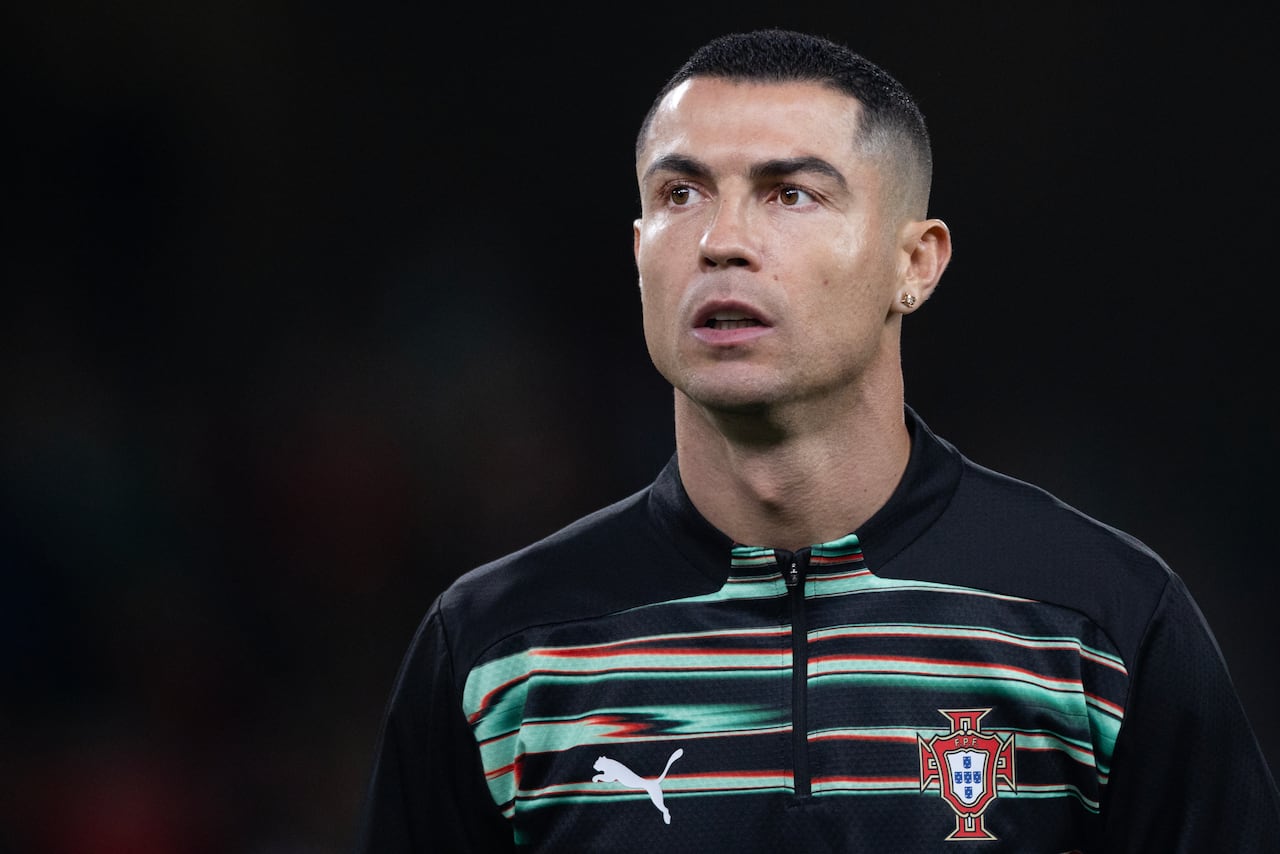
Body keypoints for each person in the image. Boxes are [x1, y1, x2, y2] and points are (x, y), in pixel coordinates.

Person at [352, 28, 1280, 853]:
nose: (720, 241)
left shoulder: (1103, 626)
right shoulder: (498, 648)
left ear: (914, 265)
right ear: (639, 249)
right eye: (680, 194)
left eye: (790, 195)